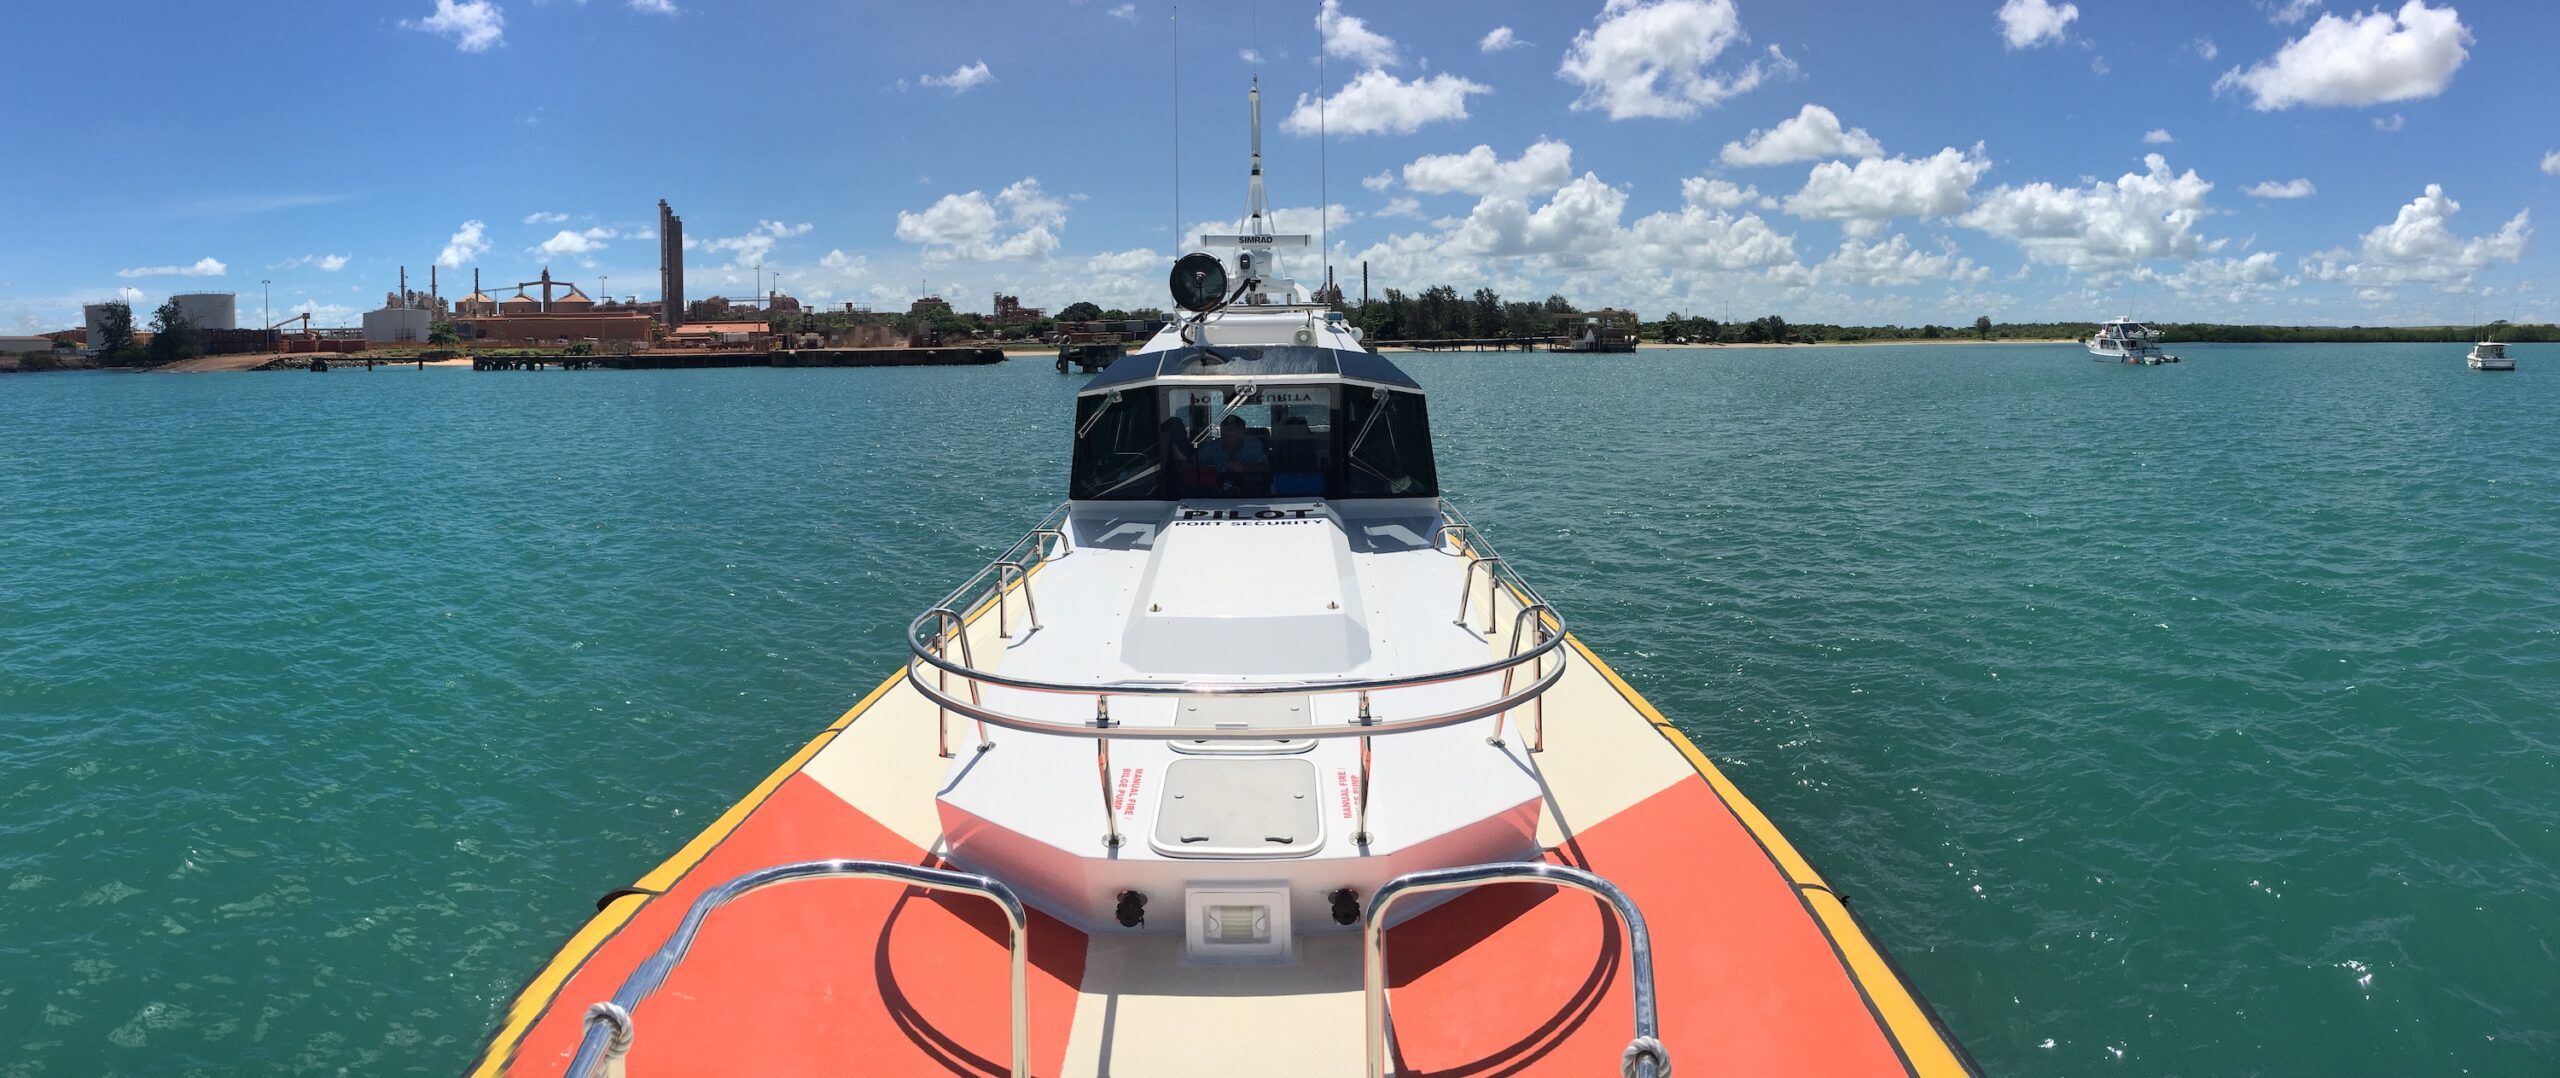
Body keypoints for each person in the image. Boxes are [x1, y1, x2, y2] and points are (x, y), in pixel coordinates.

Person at [1194, 414, 1269, 493]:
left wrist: (1244, 468)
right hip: (1212, 494)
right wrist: (1214, 469)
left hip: (1251, 493)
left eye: (1234, 427)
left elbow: (1265, 467)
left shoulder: (1253, 446)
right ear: (1221, 431)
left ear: (1242, 432)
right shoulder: (1211, 447)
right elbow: (1191, 465)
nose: (1229, 430)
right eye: (1225, 426)